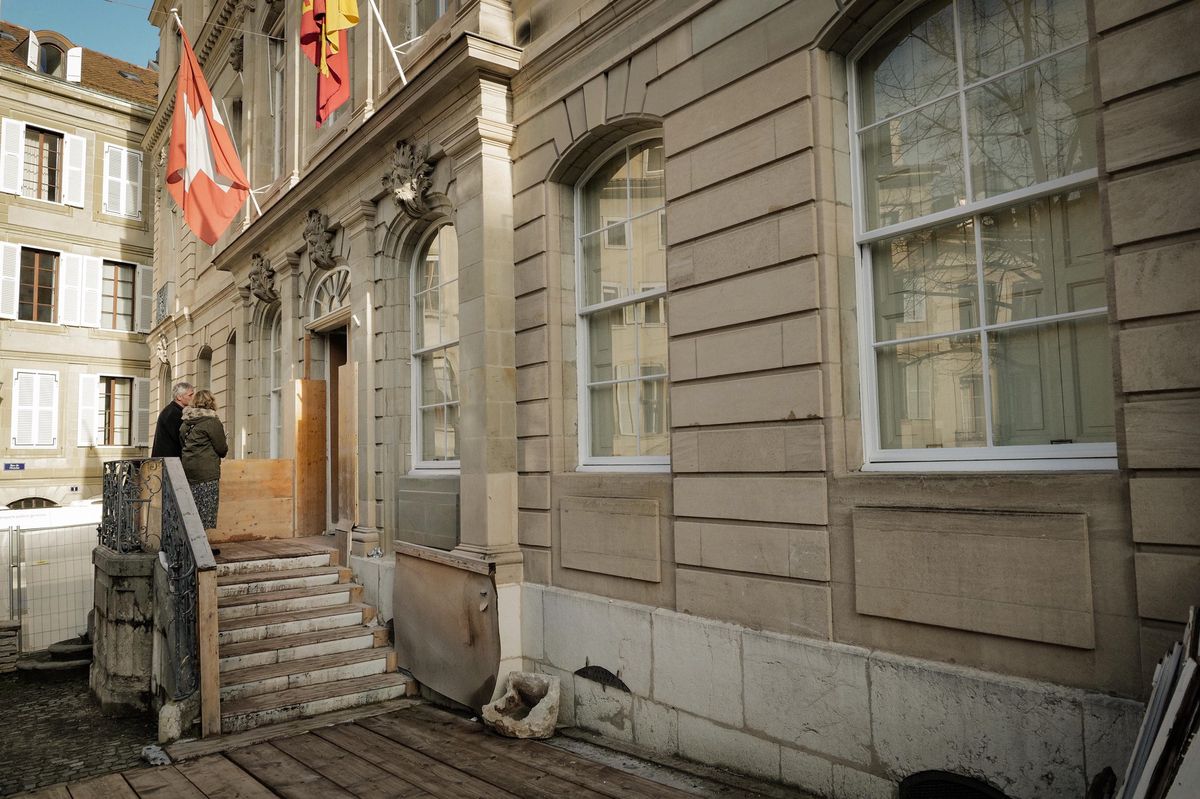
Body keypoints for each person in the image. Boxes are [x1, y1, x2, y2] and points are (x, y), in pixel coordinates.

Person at [179, 389, 228, 530]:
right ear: (211, 402)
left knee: (191, 509)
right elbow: (221, 449)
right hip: (206, 471)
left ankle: (190, 545)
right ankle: (202, 547)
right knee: (205, 510)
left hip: (188, 469)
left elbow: (184, 443)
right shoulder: (212, 422)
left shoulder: (186, 422)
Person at [151, 382, 195, 457]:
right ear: (179, 397)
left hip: (169, 459)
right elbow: (181, 439)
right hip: (170, 461)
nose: (193, 398)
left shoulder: (173, 410)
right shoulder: (173, 413)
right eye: (190, 395)